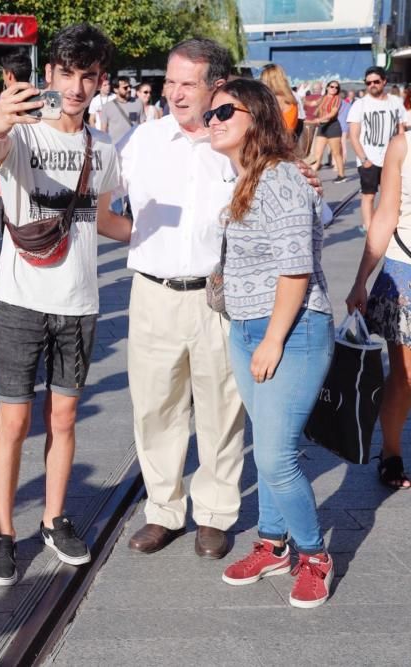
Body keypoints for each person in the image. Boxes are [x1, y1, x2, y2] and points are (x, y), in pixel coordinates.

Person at [0, 23, 130, 587]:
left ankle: (53, 518)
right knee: (12, 420)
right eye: (68, 74)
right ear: (50, 75)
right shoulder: (24, 135)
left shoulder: (103, 148)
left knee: (63, 417)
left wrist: (159, 234)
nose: (77, 87)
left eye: (88, 77)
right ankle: (2, 534)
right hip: (21, 299)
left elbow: (105, 218)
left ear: (99, 82)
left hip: (79, 302)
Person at [211, 78, 335, 608]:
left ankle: (314, 555)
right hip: (247, 327)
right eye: (211, 113)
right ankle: (272, 543)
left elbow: (295, 270)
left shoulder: (280, 178)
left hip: (291, 329)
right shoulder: (247, 175)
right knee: (267, 447)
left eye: (224, 112)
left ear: (255, 119)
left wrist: (273, 340)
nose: (213, 120)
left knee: (277, 454)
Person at [120, 39, 246, 560]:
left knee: (222, 407)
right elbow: (101, 203)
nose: (173, 92)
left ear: (216, 86)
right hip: (152, 293)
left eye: (186, 83)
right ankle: (163, 510)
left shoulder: (239, 142)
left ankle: (215, 514)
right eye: (170, 82)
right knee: (155, 409)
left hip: (218, 296)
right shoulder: (141, 141)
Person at [346, 122, 411, 490]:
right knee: (405, 376)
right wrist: (361, 280)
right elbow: (385, 214)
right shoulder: (402, 146)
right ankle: (390, 453)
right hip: (406, 270)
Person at [348, 66, 405, 233]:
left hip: (391, 158)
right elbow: (353, 135)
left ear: (384, 82)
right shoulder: (360, 104)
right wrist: (364, 159)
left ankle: (389, 225)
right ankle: (370, 227)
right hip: (369, 157)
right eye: (368, 82)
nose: (372, 85)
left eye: (376, 82)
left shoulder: (395, 102)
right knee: (369, 194)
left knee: (393, 195)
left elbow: (400, 130)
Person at [305, 80, 346, 183]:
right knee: (317, 154)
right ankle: (311, 177)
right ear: (327, 87)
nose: (334, 89)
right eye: (332, 87)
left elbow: (333, 113)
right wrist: (301, 97)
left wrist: (319, 119)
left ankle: (341, 175)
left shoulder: (337, 99)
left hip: (333, 126)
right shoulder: (323, 98)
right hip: (322, 127)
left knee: (336, 153)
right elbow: (312, 103)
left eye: (336, 88)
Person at [99, 75, 145, 143]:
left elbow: (143, 126)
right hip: (116, 148)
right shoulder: (107, 107)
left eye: (130, 86)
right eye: (125, 88)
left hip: (134, 146)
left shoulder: (138, 103)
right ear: (116, 90)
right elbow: (103, 131)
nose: (129, 89)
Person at [259, 64, 299, 135]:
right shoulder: (288, 97)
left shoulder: (276, 98)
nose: (261, 83)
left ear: (272, 82)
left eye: (263, 81)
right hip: (287, 139)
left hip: (277, 139)